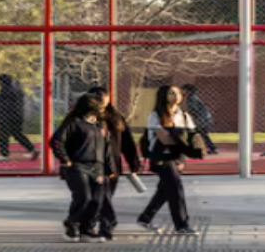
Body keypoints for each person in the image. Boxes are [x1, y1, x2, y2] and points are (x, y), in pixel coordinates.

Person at [137, 85, 198, 236]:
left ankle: (145, 218)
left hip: (177, 157)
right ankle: (182, 225)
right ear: (164, 96)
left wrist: (182, 157)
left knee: (165, 190)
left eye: (178, 92)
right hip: (161, 158)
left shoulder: (184, 116)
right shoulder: (155, 115)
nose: (176, 95)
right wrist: (178, 138)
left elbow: (191, 138)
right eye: (171, 93)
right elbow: (164, 137)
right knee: (176, 188)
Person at [49, 92, 109, 243]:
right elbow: (56, 141)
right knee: (84, 197)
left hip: (97, 167)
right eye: (99, 106)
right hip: (77, 165)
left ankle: (87, 229)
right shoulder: (74, 122)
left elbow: (105, 148)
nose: (103, 109)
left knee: (97, 199)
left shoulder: (98, 125)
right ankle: (72, 225)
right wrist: (65, 159)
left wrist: (106, 166)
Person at [87, 86, 141, 241]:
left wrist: (133, 164)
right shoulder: (83, 118)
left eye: (103, 95)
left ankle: (103, 226)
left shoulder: (116, 117)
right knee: (98, 197)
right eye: (96, 95)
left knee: (105, 196)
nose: (100, 98)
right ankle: (104, 224)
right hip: (92, 164)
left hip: (112, 164)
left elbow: (127, 143)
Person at [0, 74, 39, 161]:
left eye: (0, 82)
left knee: (2, 135)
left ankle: (4, 154)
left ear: (2, 82)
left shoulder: (5, 92)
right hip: (17, 116)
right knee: (17, 134)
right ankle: (32, 149)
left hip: (6, 116)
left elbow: (1, 105)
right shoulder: (17, 91)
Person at [181, 84, 218, 155]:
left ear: (188, 91)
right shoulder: (190, 98)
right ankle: (212, 148)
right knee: (200, 134)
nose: (182, 91)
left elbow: (194, 110)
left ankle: (211, 148)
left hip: (202, 119)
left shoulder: (192, 98)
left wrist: (185, 114)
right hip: (202, 118)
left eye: (184, 90)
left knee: (196, 133)